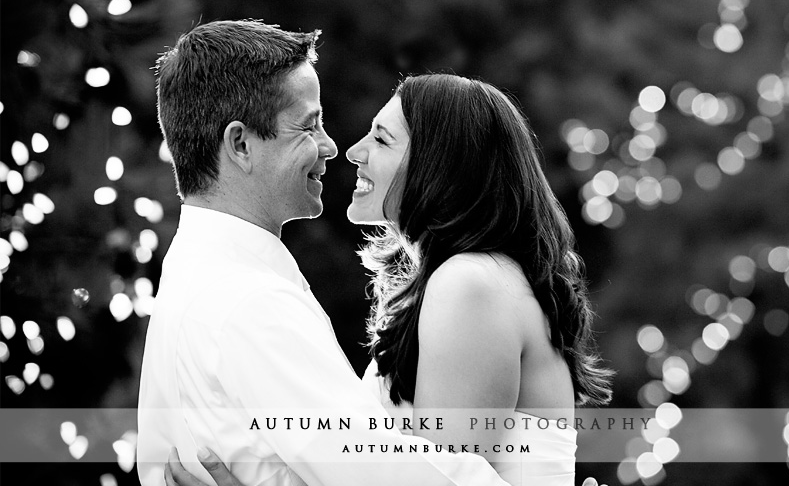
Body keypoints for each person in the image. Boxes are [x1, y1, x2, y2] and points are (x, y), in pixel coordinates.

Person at [164, 71, 613, 486]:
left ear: (440, 164)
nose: (353, 151)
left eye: (381, 139)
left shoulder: (470, 284)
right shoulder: (477, 280)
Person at [137, 19, 525, 486]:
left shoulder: (195, 275)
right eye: (308, 126)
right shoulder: (249, 304)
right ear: (240, 144)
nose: (332, 146)